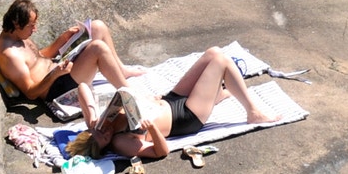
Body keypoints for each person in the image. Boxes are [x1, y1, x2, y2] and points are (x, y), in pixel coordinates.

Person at [67, 47, 281, 162]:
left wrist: (93, 117)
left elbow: (84, 87)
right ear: (105, 147)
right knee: (222, 62)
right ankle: (253, 112)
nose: (105, 133)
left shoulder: (98, 123)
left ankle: (217, 95)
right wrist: (150, 128)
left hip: (169, 100)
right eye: (104, 138)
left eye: (99, 133)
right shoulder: (121, 143)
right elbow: (160, 152)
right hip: (186, 117)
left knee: (213, 53)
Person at [0, 0, 144, 128]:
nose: (35, 29)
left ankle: (121, 70)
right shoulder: (10, 56)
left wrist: (63, 39)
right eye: (31, 26)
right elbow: (31, 92)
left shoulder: (19, 35)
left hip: (59, 69)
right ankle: (129, 93)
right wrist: (55, 74)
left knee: (97, 26)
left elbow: (38, 56)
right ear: (16, 23)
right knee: (98, 48)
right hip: (57, 88)